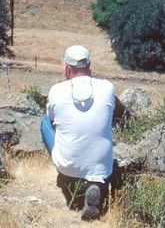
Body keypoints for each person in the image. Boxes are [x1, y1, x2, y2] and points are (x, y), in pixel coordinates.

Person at [41, 45, 115, 220]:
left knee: (44, 122)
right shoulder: (107, 87)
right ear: (89, 66)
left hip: (68, 164)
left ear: (67, 68)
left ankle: (69, 181)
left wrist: (63, 82)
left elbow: (51, 119)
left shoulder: (56, 90)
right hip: (102, 165)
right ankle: (95, 183)